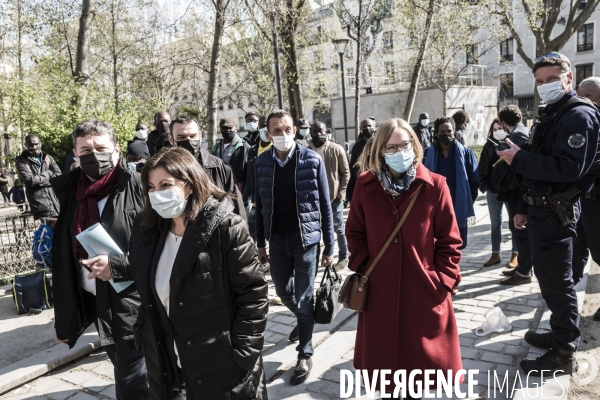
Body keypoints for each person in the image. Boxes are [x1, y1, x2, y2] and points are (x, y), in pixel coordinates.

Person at [130, 147, 268, 400]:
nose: (157, 194)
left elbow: (253, 294)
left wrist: (244, 352)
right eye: (151, 187)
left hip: (221, 365)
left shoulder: (226, 226)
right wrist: (143, 333)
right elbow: (147, 290)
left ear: (190, 185)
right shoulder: (146, 230)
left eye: (165, 185)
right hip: (167, 364)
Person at [345, 118, 463, 398]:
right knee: (386, 379)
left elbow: (451, 242)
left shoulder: (436, 186)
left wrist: (442, 281)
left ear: (415, 144)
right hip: (379, 294)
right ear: (380, 151)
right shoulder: (365, 185)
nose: (400, 152)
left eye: (405, 144)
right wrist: (365, 267)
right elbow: (354, 233)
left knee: (420, 377)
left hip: (424, 293)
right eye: (391, 147)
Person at [498, 53, 600, 374]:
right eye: (539, 82)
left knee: (559, 282)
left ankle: (563, 352)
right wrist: (524, 207)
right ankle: (559, 334)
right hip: (541, 211)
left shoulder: (579, 116)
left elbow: (568, 168)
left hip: (558, 213)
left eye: (551, 80)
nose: (544, 86)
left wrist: (519, 159)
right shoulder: (551, 113)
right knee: (549, 278)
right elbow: (540, 162)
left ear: (568, 79)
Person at [50, 119, 149, 399]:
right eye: (85, 151)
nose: (94, 156)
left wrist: (116, 266)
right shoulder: (72, 193)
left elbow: (163, 250)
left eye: (101, 148)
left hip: (135, 300)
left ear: (117, 150)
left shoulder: (141, 187)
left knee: (132, 381)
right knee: (125, 366)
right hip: (95, 301)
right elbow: (63, 258)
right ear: (76, 155)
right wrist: (65, 319)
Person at [255, 110, 334, 385]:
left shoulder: (312, 159)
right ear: (268, 134)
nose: (283, 134)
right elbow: (259, 207)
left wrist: (330, 246)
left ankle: (305, 352)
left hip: (307, 241)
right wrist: (259, 243)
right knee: (282, 291)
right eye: (276, 130)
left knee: (303, 297)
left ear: (295, 130)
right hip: (276, 240)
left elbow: (325, 205)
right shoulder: (262, 162)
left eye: (287, 128)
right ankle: (305, 321)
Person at [168, 115, 246, 219]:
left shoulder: (220, 168)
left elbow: (237, 210)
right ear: (171, 139)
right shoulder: (164, 170)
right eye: (181, 137)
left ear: (200, 135)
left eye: (193, 136)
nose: (189, 141)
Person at [424, 117, 479, 249]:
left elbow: (474, 182)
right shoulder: (427, 155)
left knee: (456, 245)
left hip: (457, 207)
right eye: (442, 132)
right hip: (435, 209)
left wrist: (465, 202)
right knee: (436, 244)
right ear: (436, 133)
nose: (446, 134)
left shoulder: (466, 154)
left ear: (454, 131)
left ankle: (454, 269)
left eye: (449, 130)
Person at [495, 105, 533, 285]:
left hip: (518, 190)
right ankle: (522, 267)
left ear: (503, 122)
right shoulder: (521, 131)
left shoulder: (518, 135)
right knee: (517, 229)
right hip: (519, 189)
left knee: (519, 230)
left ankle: (524, 271)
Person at [573, 76, 600, 321]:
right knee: (577, 249)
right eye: (579, 95)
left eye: (587, 96)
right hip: (582, 201)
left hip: (596, 201)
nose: (581, 101)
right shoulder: (580, 123)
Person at [307, 121, 350, 271]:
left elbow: (345, 173)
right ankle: (318, 258)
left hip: (333, 198)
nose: (318, 134)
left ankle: (344, 256)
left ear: (326, 131)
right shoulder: (305, 150)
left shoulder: (336, 149)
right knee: (314, 229)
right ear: (310, 132)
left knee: (338, 228)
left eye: (321, 131)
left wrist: (341, 194)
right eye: (315, 131)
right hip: (312, 199)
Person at [478, 118, 518, 268]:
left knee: (514, 223)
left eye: (500, 128)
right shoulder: (488, 146)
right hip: (493, 191)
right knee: (495, 224)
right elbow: (482, 167)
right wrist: (485, 186)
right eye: (494, 129)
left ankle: (515, 254)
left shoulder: (512, 144)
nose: (497, 132)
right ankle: (495, 254)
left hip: (510, 190)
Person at [15, 134, 61, 220]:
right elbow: (31, 181)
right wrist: (49, 172)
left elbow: (58, 175)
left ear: (40, 143)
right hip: (39, 203)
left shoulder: (48, 157)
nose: (34, 147)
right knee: (48, 231)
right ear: (26, 145)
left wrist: (40, 180)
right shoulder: (21, 161)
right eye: (31, 145)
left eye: (36, 144)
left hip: (55, 200)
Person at [243, 116, 272, 241]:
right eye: (262, 126)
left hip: (273, 200)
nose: (264, 129)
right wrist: (246, 197)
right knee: (253, 234)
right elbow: (249, 176)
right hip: (257, 201)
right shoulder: (253, 150)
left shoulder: (276, 148)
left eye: (267, 126)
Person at [212, 117, 251, 191]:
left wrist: (247, 192)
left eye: (230, 128)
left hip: (238, 188)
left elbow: (250, 172)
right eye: (224, 128)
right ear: (220, 129)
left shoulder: (244, 146)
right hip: (220, 187)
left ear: (236, 129)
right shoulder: (216, 147)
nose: (227, 130)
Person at [347, 117, 377, 203]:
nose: (367, 128)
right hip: (362, 183)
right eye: (365, 126)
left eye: (369, 125)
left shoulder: (381, 143)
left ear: (374, 127)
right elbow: (353, 167)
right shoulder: (357, 146)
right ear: (361, 128)